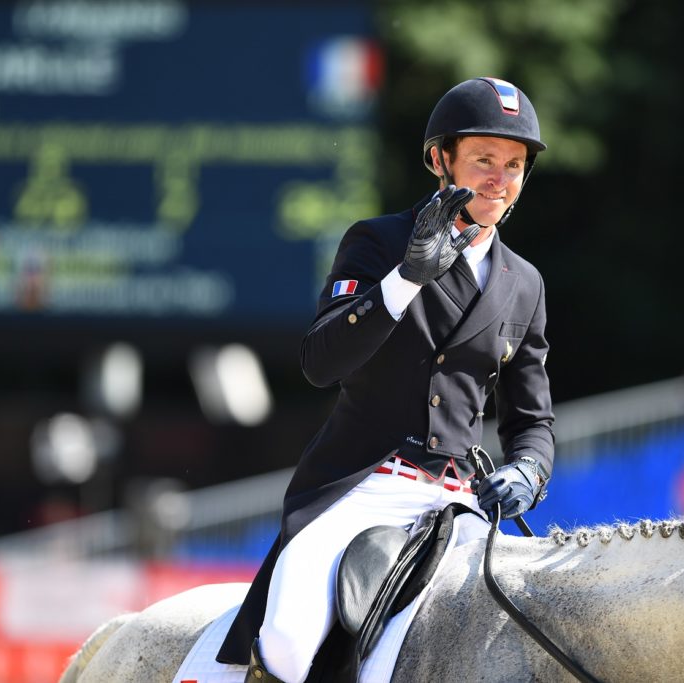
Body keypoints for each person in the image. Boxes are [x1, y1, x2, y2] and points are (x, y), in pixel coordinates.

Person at [216, 77, 556, 683]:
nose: (498, 179)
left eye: (513, 165)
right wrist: (404, 280)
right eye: (482, 160)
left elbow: (532, 420)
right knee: (291, 637)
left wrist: (529, 470)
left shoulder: (523, 282)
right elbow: (321, 363)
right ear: (439, 159)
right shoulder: (378, 241)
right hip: (364, 483)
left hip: (457, 497)